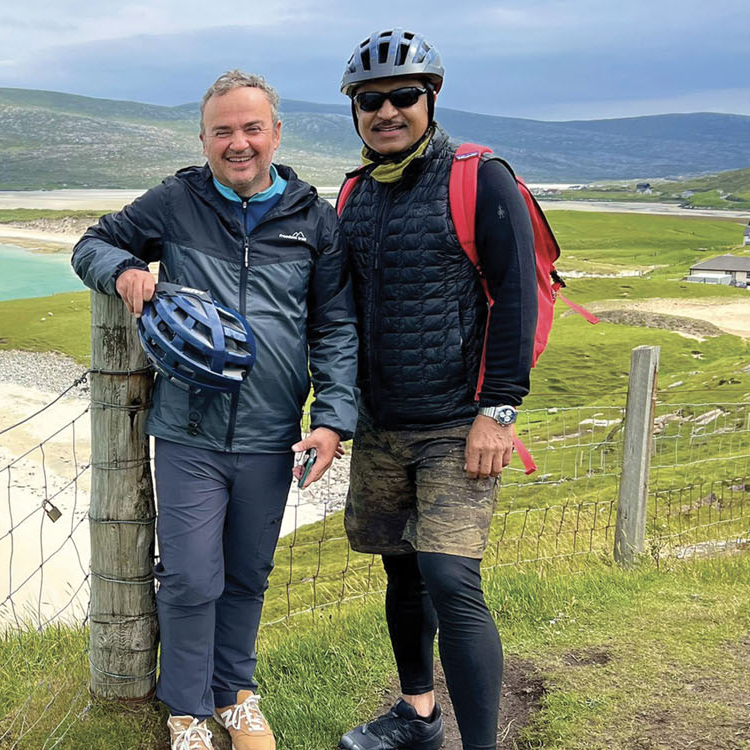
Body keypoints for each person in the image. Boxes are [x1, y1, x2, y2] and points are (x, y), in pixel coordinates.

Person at [71, 70, 358, 750]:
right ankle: (187, 711)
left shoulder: (314, 220)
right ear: (203, 138)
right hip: (188, 432)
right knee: (193, 575)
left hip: (270, 434)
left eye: (251, 128)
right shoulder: (176, 202)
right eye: (223, 131)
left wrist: (333, 417)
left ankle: (234, 696)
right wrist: (123, 270)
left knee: (247, 574)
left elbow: (336, 327)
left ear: (276, 134)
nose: (238, 143)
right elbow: (91, 243)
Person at [333, 29, 538, 750]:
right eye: (369, 101)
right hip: (381, 423)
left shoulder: (481, 177)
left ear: (432, 97)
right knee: (403, 571)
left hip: (459, 423)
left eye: (402, 97)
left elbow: (518, 299)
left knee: (452, 578)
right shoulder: (354, 192)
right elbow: (338, 308)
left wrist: (499, 411)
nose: (386, 112)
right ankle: (418, 716)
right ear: (354, 109)